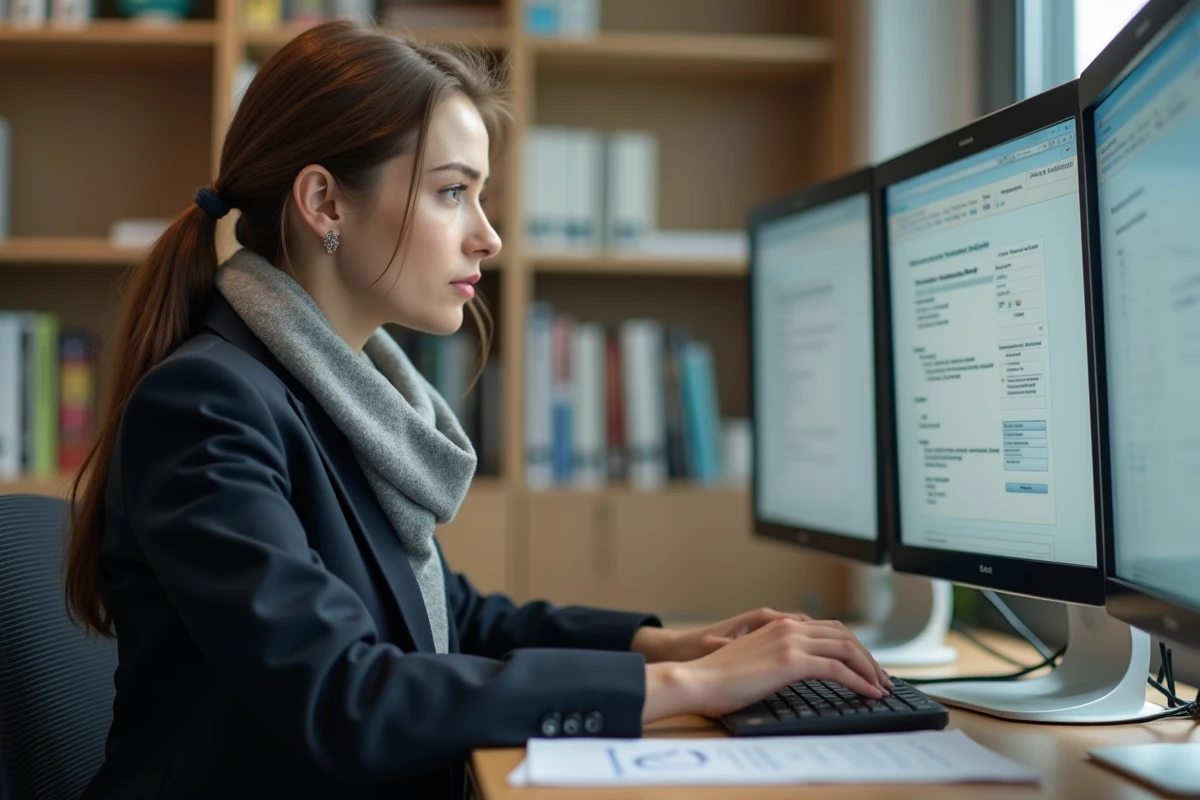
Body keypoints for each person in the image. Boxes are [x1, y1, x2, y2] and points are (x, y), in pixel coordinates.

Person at [63, 21, 891, 800]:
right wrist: (687, 686)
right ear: (325, 204)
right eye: (452, 192)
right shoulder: (208, 405)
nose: (488, 237)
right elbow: (342, 691)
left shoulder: (341, 394)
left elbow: (444, 616)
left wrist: (664, 644)